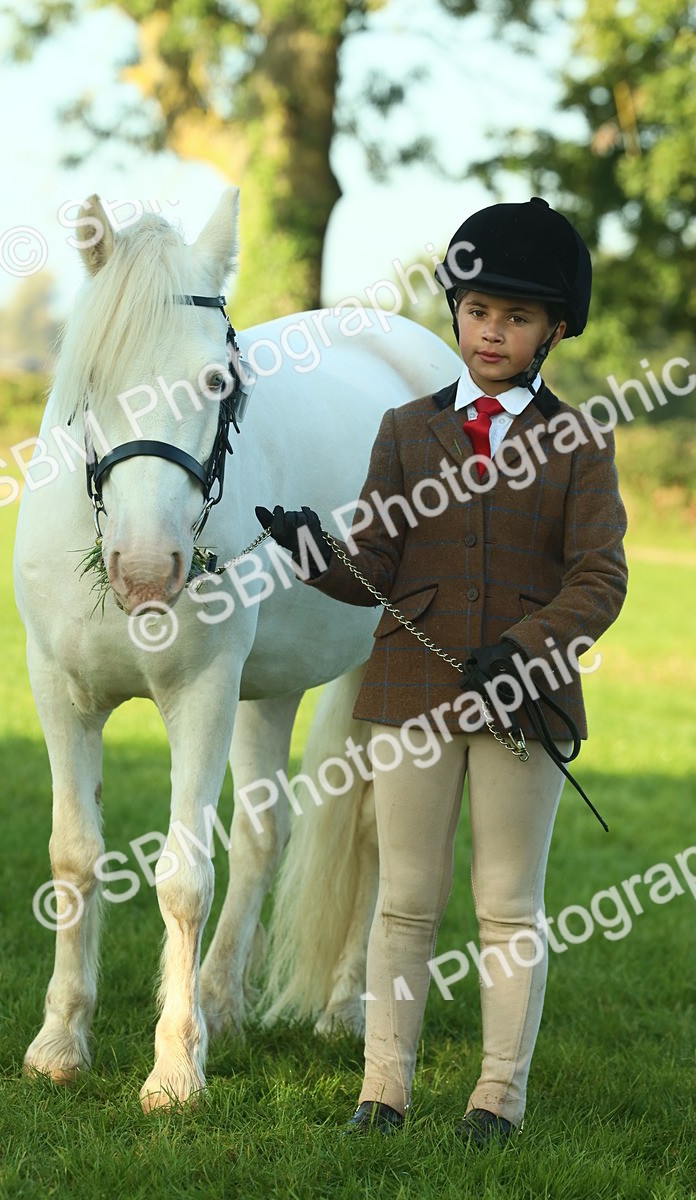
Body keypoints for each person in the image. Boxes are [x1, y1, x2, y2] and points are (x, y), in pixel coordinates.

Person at [256, 197, 628, 1147]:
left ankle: (498, 1096)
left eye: (516, 317)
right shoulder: (404, 430)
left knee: (507, 905)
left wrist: (533, 645)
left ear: (552, 331)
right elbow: (375, 567)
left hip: (523, 701)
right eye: (477, 311)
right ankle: (384, 1089)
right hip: (411, 697)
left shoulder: (580, 443)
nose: (490, 331)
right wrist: (313, 553)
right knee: (406, 899)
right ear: (456, 311)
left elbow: (600, 576)